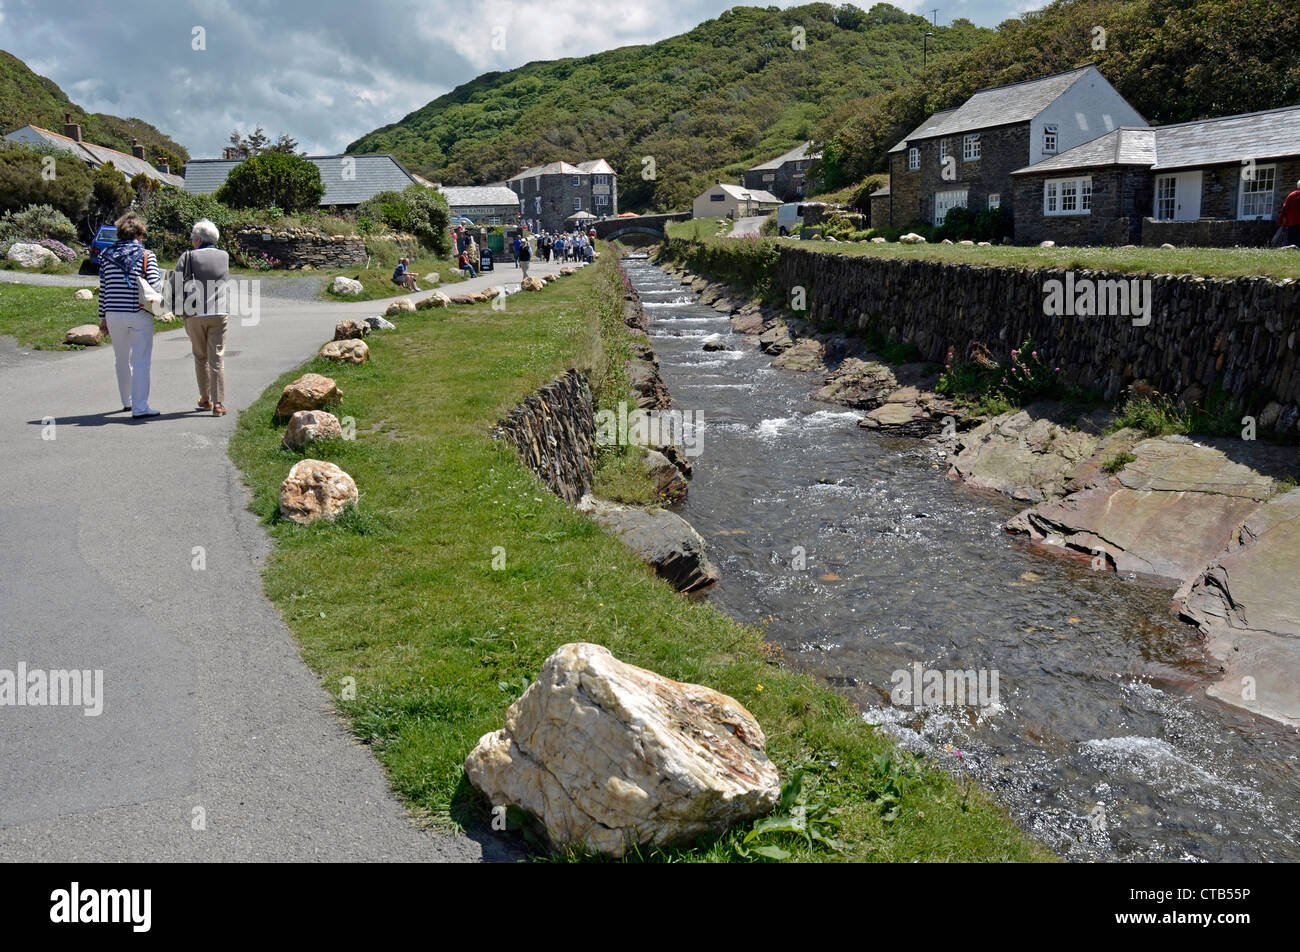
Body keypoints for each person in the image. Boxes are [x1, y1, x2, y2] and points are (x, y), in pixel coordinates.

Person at [98, 212, 162, 418]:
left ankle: (127, 401)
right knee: (141, 360)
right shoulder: (146, 255)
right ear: (140, 234)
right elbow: (155, 284)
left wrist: (102, 318)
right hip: (139, 312)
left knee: (121, 358)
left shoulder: (106, 255)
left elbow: (104, 288)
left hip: (113, 313)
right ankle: (140, 407)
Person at [172, 218, 231, 416]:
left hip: (194, 312)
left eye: (192, 238)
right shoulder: (224, 256)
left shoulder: (187, 257)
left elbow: (175, 282)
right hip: (218, 311)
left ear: (198, 239)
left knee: (200, 356)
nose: (191, 241)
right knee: (217, 357)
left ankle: (205, 398)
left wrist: (175, 306)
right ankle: (218, 403)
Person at [1279, 180, 1300, 247]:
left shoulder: (1291, 195)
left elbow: (1285, 208)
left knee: (1291, 240)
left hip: (1292, 222)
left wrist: (1283, 220)